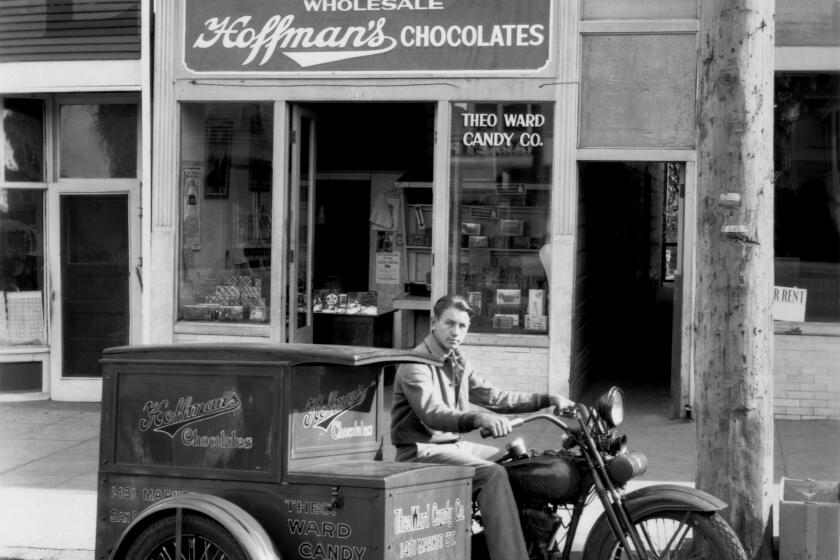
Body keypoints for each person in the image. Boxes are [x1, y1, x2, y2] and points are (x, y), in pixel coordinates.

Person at [391, 294, 574, 560]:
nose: (456, 332)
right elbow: (433, 414)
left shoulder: (457, 361)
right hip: (421, 451)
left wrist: (547, 399)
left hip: (453, 445)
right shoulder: (415, 364)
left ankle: (536, 543)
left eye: (462, 326)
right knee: (493, 474)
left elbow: (495, 397)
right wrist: (478, 419)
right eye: (449, 323)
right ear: (434, 322)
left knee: (519, 464)